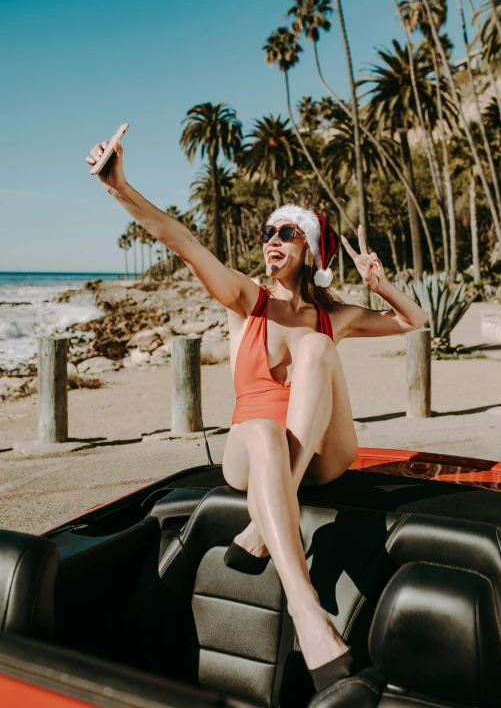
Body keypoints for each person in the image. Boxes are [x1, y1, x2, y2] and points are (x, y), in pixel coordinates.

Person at [86, 134, 427, 693]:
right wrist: (120, 187)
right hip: (253, 444)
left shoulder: (333, 315)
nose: (271, 239)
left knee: (318, 347)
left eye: (286, 232)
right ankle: (307, 613)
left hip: (322, 452)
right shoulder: (248, 300)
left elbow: (414, 322)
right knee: (267, 428)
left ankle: (266, 527)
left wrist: (382, 286)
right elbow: (185, 242)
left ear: (311, 249)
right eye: (267, 231)